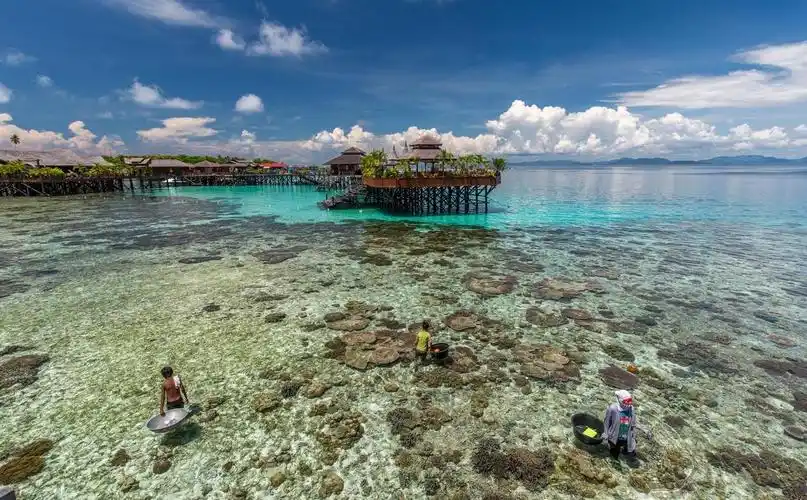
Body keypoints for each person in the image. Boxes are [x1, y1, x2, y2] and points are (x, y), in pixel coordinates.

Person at [604, 390, 638, 460]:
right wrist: (606, 433)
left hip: (627, 436)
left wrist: (634, 435)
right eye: (626, 401)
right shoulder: (612, 409)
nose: (629, 404)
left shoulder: (631, 409)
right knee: (614, 453)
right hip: (615, 437)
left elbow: (633, 423)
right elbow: (606, 422)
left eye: (630, 401)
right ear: (620, 400)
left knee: (630, 453)